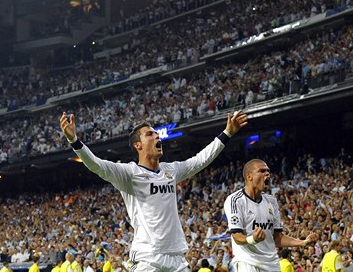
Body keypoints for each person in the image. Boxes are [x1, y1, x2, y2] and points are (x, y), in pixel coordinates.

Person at [60, 110, 248, 272]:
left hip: (176, 257)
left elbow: (200, 160)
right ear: (138, 145)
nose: (157, 136)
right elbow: (96, 164)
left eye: (157, 134)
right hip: (147, 258)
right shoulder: (129, 173)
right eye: (150, 134)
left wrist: (227, 133)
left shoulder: (170, 170)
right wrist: (74, 140)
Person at [224, 159, 316, 271]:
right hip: (247, 263)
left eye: (268, 171)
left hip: (271, 265)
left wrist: (303, 242)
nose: (267, 174)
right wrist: (252, 239)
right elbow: (236, 236)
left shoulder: (271, 201)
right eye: (262, 171)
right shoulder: (236, 200)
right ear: (249, 177)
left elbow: (277, 237)